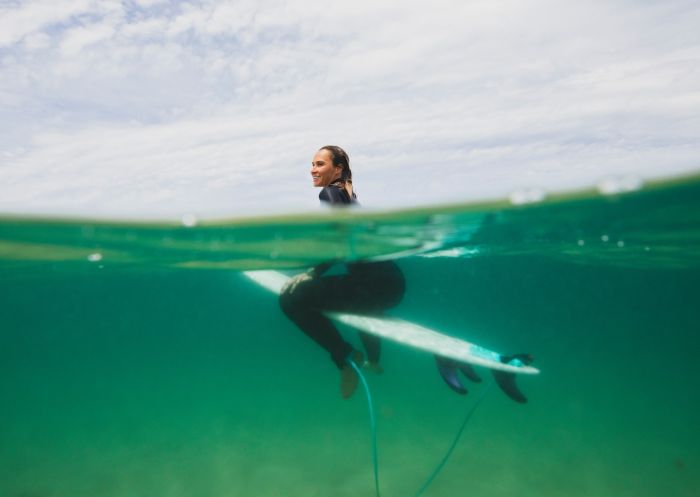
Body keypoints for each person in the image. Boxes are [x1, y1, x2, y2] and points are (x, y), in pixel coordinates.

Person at [279, 146, 406, 399]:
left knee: (290, 300)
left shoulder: (333, 194)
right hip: (392, 288)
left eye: (319, 164)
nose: (313, 169)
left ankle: (346, 358)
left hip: (372, 288)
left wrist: (313, 273)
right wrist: (375, 358)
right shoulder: (347, 196)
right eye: (313, 164)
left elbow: (344, 239)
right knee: (362, 304)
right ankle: (366, 359)